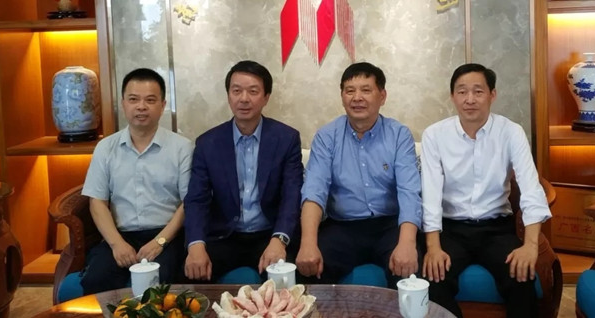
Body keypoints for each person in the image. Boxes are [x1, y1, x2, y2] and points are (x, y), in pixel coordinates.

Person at [420, 63, 552, 318]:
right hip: (451, 230)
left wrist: (530, 245)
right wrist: (433, 247)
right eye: (462, 92)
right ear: (452, 96)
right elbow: (431, 195)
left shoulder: (511, 132)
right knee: (433, 280)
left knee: (521, 278)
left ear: (492, 95)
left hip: (496, 229)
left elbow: (531, 189)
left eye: (478, 91)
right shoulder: (434, 135)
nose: (470, 99)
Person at [296, 62, 422, 287]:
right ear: (342, 96)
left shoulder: (399, 135)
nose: (357, 98)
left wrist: (407, 243)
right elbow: (314, 191)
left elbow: (409, 191)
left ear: (382, 96)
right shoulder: (327, 136)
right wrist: (307, 243)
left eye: (366, 90)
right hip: (342, 226)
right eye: (350, 90)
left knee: (410, 274)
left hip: (389, 225)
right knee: (307, 272)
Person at [183, 60, 304, 281]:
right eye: (236, 91)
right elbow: (197, 199)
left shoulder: (286, 139)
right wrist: (196, 245)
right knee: (190, 276)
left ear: (266, 97)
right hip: (225, 236)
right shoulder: (208, 143)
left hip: (270, 234)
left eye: (253, 91)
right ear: (228, 95)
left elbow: (292, 194)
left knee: (290, 282)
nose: (244, 98)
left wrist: (280, 239)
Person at [80, 68, 192, 294]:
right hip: (121, 234)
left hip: (167, 235)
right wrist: (116, 244)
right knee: (95, 280)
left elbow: (188, 203)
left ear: (162, 105)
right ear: (123, 104)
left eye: (150, 100)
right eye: (133, 99)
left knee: (163, 285)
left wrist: (160, 242)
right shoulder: (105, 148)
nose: (141, 106)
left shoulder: (182, 148)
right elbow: (97, 202)